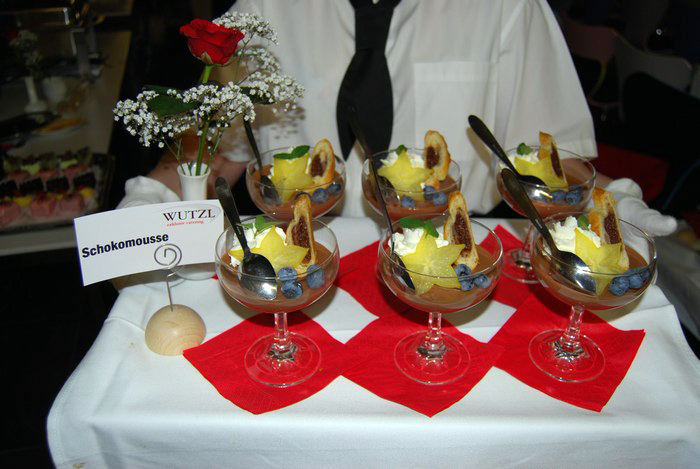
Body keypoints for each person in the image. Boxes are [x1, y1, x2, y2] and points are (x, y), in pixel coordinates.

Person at [119, 0, 676, 237]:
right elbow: (215, 155)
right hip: (300, 255)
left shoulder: (508, 7)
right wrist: (149, 200)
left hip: (457, 253)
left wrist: (609, 200)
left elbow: (544, 161)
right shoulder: (265, 8)